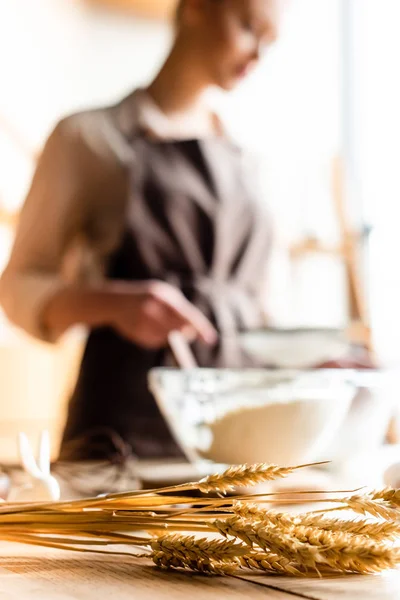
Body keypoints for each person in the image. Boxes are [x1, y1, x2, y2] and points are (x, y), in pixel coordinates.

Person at [0, 0, 367, 465]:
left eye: (270, 42)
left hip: (239, 450)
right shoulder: (89, 138)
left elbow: (256, 316)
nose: (258, 56)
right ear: (196, 7)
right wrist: (117, 304)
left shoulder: (249, 162)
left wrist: (310, 365)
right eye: (250, 28)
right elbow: (19, 287)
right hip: (122, 450)